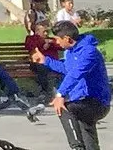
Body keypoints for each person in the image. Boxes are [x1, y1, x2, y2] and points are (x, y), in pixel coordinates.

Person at [34, 20, 109, 150]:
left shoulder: (89, 52)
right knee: (88, 135)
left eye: (58, 39)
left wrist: (60, 94)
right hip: (80, 100)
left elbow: (76, 73)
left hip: (96, 102)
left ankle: (76, 147)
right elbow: (67, 68)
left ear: (67, 39)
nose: (56, 42)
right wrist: (46, 61)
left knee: (63, 108)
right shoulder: (70, 51)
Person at [26, 22, 62, 95]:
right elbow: (30, 46)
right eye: (44, 32)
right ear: (37, 32)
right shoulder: (31, 38)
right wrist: (43, 42)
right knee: (41, 67)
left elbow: (60, 46)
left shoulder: (51, 40)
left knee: (64, 67)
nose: (46, 34)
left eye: (47, 32)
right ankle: (44, 90)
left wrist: (50, 42)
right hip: (37, 63)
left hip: (52, 63)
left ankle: (59, 90)